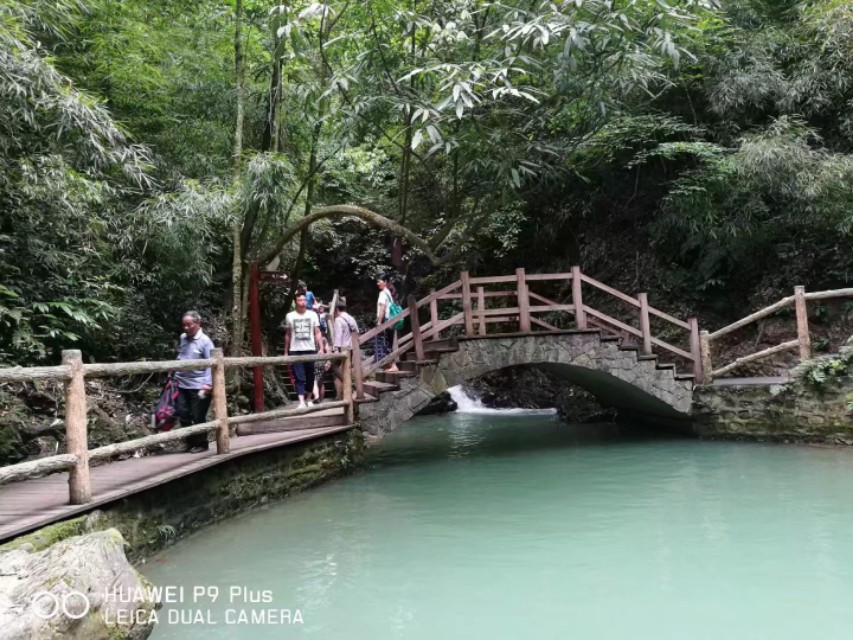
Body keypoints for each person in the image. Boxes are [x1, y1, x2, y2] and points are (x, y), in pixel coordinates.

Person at [173, 311, 215, 453]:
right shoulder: (183, 338)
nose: (186, 328)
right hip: (181, 382)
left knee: (198, 415)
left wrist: (208, 384)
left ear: (198, 324)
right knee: (182, 413)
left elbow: (211, 364)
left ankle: (202, 443)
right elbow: (181, 355)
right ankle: (189, 442)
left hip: (199, 384)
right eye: (184, 325)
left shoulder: (205, 341)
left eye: (189, 324)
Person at [284, 293, 323, 409]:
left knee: (310, 376)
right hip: (295, 350)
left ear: (307, 301)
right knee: (298, 377)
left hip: (310, 348)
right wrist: (286, 351)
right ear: (296, 302)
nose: (302, 302)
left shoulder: (313, 315)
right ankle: (301, 401)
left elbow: (317, 332)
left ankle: (309, 398)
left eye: (304, 300)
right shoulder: (290, 316)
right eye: (299, 300)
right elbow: (287, 334)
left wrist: (321, 347)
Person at [332, 299, 359, 399]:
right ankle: (349, 387)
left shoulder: (338, 319)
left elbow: (338, 336)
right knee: (347, 369)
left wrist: (335, 349)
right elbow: (357, 331)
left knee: (334, 366)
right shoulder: (351, 318)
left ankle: (349, 385)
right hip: (350, 347)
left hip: (342, 348)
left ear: (337, 309)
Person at [374, 274, 399, 372]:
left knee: (386, 343)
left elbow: (383, 308)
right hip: (391, 321)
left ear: (385, 282)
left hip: (386, 321)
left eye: (379, 281)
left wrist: (379, 322)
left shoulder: (383, 293)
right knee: (388, 342)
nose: (377, 283)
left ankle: (393, 365)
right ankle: (390, 365)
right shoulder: (389, 292)